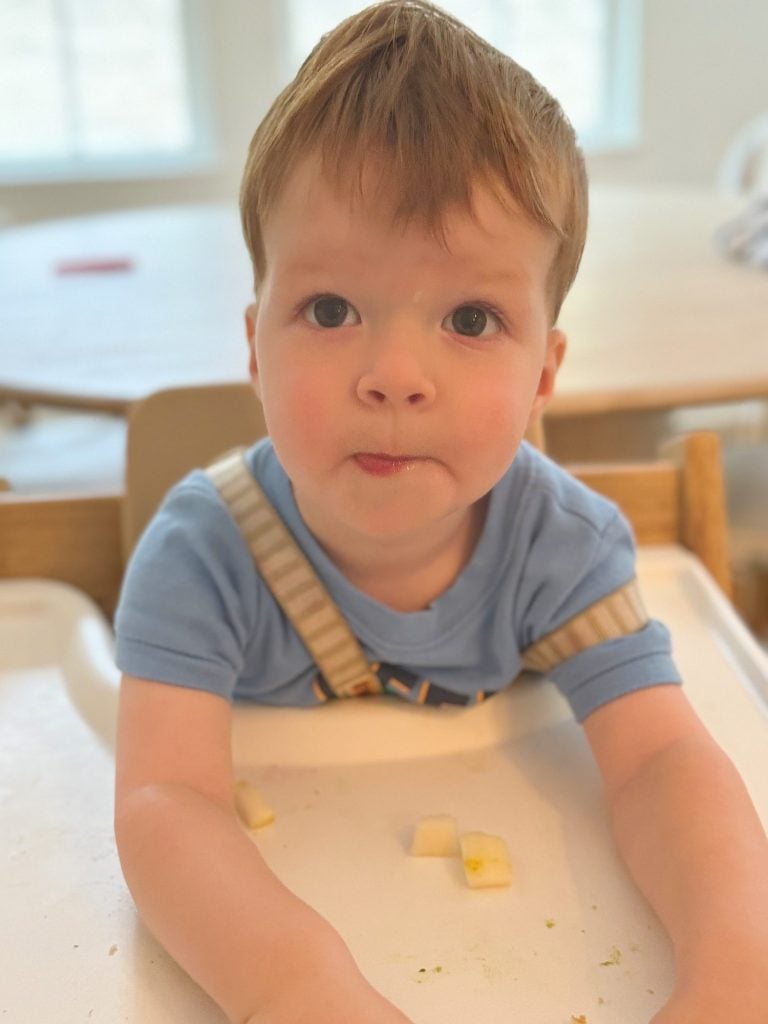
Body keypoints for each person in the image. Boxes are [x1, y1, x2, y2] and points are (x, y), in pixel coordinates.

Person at [113, 3, 768, 1022]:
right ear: (255, 345)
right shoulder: (200, 558)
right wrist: (296, 986)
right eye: (330, 311)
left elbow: (663, 762)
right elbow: (165, 804)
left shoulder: (564, 549)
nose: (393, 376)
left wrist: (736, 975)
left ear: (544, 369)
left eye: (471, 319)